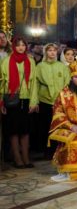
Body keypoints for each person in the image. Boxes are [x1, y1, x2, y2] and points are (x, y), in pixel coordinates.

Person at [0, 37, 36, 168]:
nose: (21, 47)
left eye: (23, 45)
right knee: (13, 130)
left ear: (26, 47)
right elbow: (2, 82)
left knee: (25, 130)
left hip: (26, 99)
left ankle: (26, 157)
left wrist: (33, 101)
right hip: (11, 99)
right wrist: (1, 102)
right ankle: (17, 158)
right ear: (14, 47)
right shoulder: (6, 61)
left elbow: (34, 82)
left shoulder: (30, 61)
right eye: (18, 45)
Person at [29, 43, 70, 157]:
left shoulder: (62, 66)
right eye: (49, 50)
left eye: (54, 50)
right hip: (45, 100)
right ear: (45, 52)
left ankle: (59, 149)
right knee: (45, 126)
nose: (52, 52)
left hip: (60, 101)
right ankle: (47, 151)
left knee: (60, 125)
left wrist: (65, 99)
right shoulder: (40, 66)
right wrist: (34, 101)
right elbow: (35, 85)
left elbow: (67, 84)